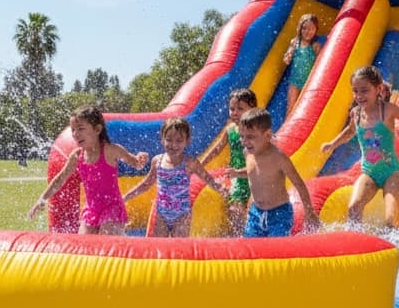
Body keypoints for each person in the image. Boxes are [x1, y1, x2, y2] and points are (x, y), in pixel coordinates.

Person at [320, 66, 399, 228]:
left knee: (391, 221)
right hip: (369, 172)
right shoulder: (356, 113)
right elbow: (351, 130)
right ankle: (357, 245)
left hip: (390, 172)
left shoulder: (387, 110)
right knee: (354, 208)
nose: (359, 96)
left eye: (364, 91)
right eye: (355, 91)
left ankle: (394, 249)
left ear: (378, 89)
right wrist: (333, 143)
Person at [29, 105, 148, 235]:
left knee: (105, 240)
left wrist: (140, 159)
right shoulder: (77, 156)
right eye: (73, 130)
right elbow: (60, 178)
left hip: (112, 208)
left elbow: (136, 164)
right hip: (91, 210)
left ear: (97, 129)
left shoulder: (110, 150)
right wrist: (42, 199)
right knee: (85, 245)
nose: (75, 134)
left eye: (80, 129)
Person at [125, 117, 227, 237]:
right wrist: (126, 197)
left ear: (187, 141)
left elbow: (207, 178)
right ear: (162, 139)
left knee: (178, 249)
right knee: (159, 248)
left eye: (179, 140)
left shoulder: (190, 163)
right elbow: (146, 184)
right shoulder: (157, 161)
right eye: (169, 140)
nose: (174, 145)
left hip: (182, 215)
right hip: (161, 214)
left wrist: (221, 190)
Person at [231, 107, 320, 237]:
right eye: (242, 136)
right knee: (250, 248)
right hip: (256, 213)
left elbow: (299, 184)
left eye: (250, 137)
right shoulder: (247, 153)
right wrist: (238, 172)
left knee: (277, 249)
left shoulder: (279, 158)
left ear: (267, 135)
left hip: (279, 213)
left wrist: (309, 211)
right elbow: (254, 172)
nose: (244, 141)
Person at [200, 88, 257, 236]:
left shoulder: (257, 131)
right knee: (235, 211)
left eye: (240, 109)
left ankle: (253, 240)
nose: (235, 112)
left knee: (255, 211)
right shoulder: (230, 129)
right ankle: (237, 243)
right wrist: (201, 163)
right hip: (237, 178)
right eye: (232, 109)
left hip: (255, 176)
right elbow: (217, 149)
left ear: (253, 109)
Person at [283, 14, 324, 116]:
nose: (307, 31)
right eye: (304, 28)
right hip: (294, 81)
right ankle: (286, 130)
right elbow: (287, 57)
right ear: (300, 29)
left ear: (316, 30)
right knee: (290, 108)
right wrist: (288, 56)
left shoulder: (315, 46)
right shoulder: (295, 42)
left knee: (304, 108)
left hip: (308, 82)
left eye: (311, 29)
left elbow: (320, 65)